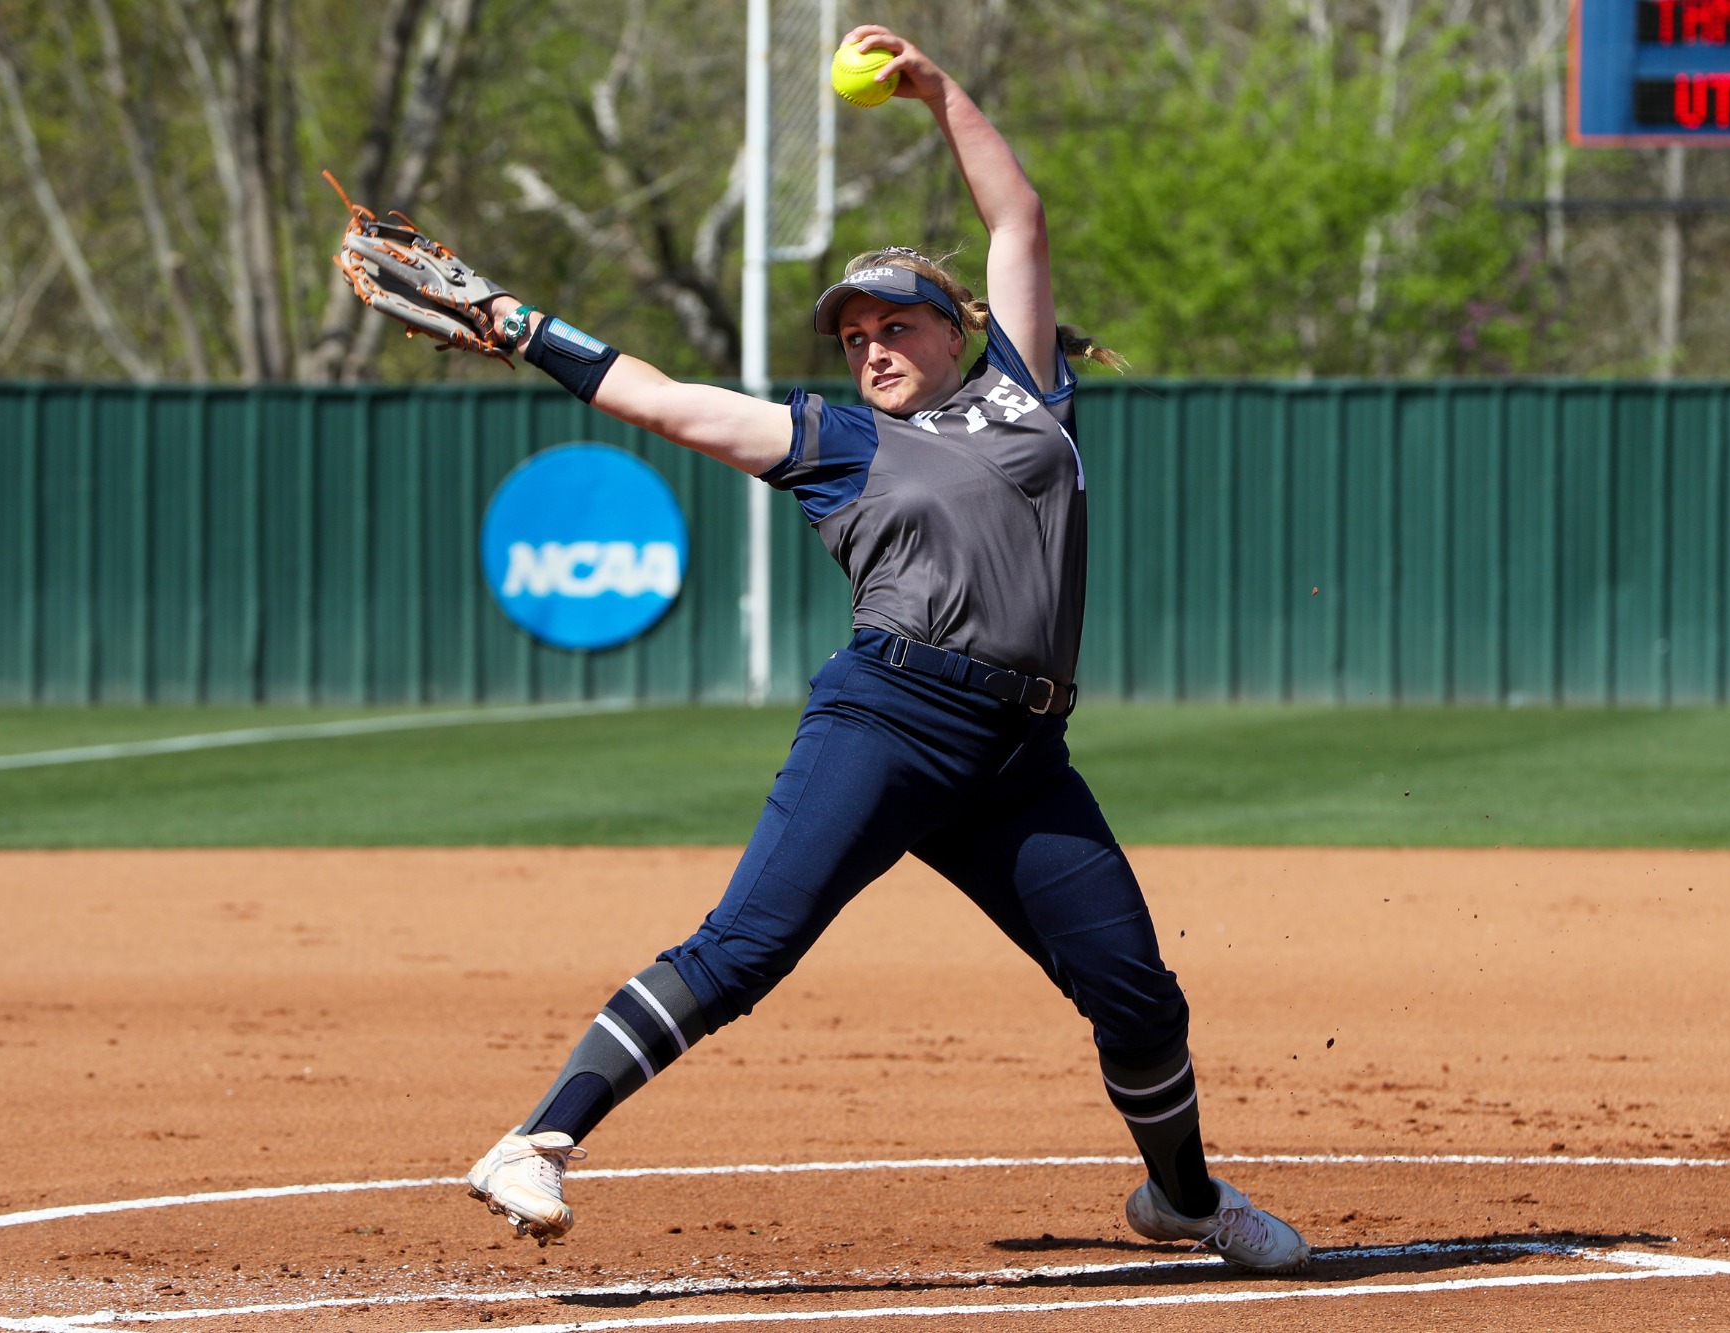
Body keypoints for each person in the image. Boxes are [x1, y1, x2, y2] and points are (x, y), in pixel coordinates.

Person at [462, 25, 1309, 1274]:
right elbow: (661, 399)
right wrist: (523, 328)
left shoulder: (1027, 398)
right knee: (746, 945)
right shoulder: (832, 442)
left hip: (1022, 757)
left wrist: (938, 91)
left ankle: (1183, 1198)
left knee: (1134, 989)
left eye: (894, 323)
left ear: (951, 329)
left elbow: (1016, 215)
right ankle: (534, 1140)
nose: (869, 345)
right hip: (888, 722)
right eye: (851, 331)